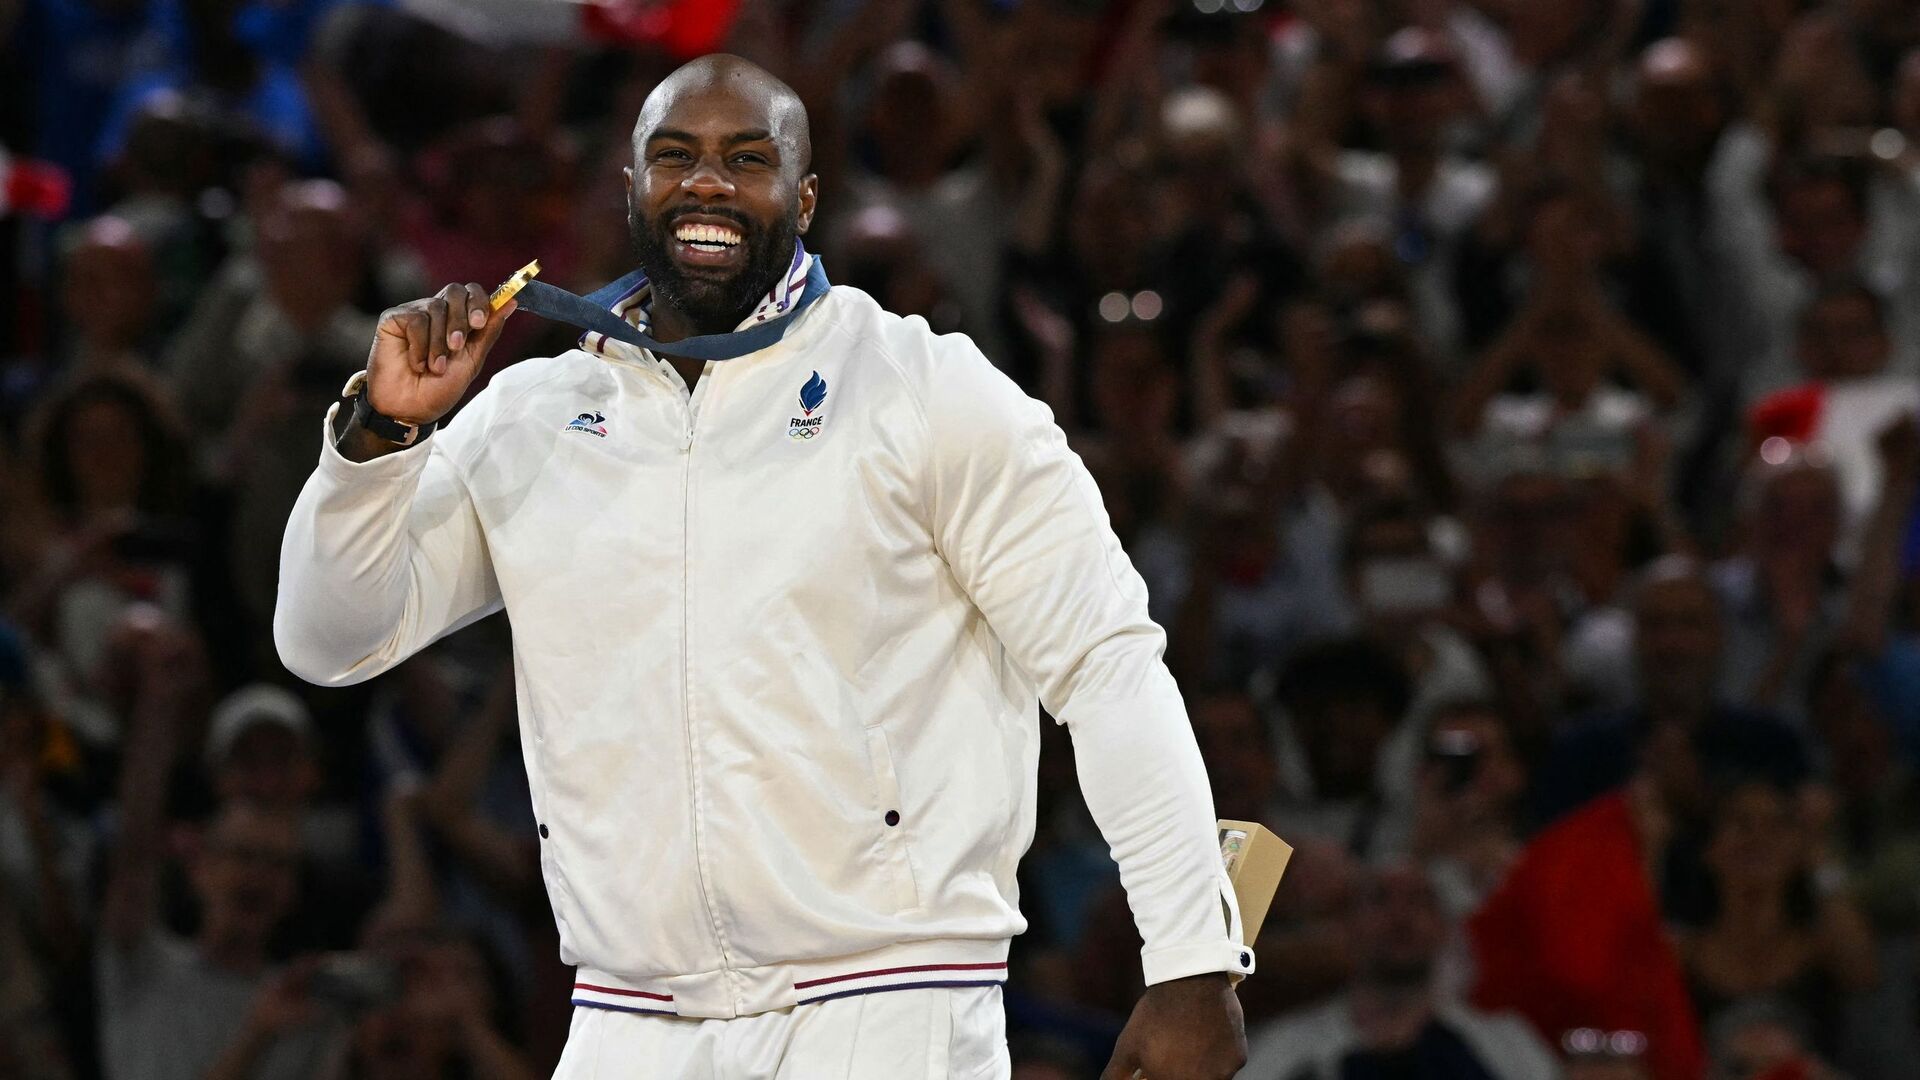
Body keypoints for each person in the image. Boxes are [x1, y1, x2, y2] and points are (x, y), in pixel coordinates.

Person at [275, 55, 1250, 1079]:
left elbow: (1107, 666)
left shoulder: (928, 391)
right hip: (624, 1017)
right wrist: (380, 439)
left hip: (884, 1006)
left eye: (747, 159)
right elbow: (327, 641)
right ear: (631, 190)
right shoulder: (534, 418)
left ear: (806, 197)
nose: (705, 183)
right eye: (674, 157)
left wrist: (1191, 958)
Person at [1241, 862, 1559, 1080]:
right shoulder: (1287, 1050)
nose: (1400, 916)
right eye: (1380, 899)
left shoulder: (1504, 1043)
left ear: (1444, 928)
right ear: (1349, 925)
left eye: (1419, 901)